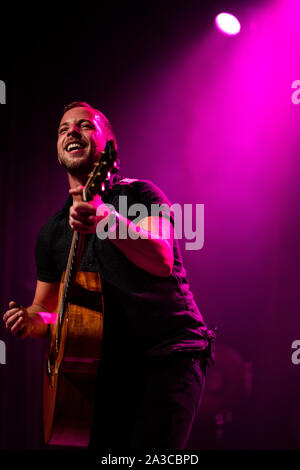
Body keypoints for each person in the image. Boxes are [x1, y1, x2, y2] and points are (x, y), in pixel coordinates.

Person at [3, 101, 216, 452]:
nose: (72, 131)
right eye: (63, 129)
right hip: (101, 376)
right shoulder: (51, 234)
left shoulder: (139, 194)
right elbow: (47, 310)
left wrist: (105, 218)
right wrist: (30, 320)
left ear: (108, 147)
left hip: (166, 359)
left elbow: (162, 258)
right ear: (58, 151)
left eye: (85, 125)